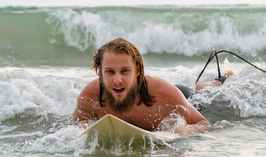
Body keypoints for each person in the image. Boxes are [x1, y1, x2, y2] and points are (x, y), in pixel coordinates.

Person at [73, 38, 230, 137]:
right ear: (99, 72)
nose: (117, 80)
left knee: (203, 95)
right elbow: (77, 122)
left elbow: (204, 124)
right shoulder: (90, 96)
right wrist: (86, 127)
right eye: (110, 72)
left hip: (184, 96)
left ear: (138, 71)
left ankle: (219, 80)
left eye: (125, 71)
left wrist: (182, 131)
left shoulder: (163, 93)